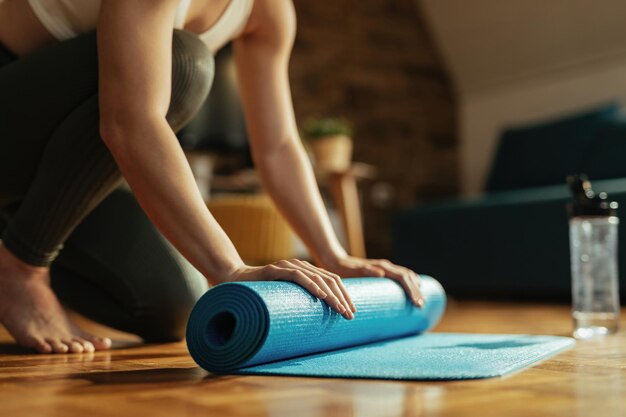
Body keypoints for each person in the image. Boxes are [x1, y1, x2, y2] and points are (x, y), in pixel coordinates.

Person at [0, 0, 423, 354]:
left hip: (55, 169)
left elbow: (277, 146)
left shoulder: (269, 11)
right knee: (185, 64)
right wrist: (230, 268)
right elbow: (129, 122)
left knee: (171, 306)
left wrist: (333, 255)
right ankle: (20, 267)